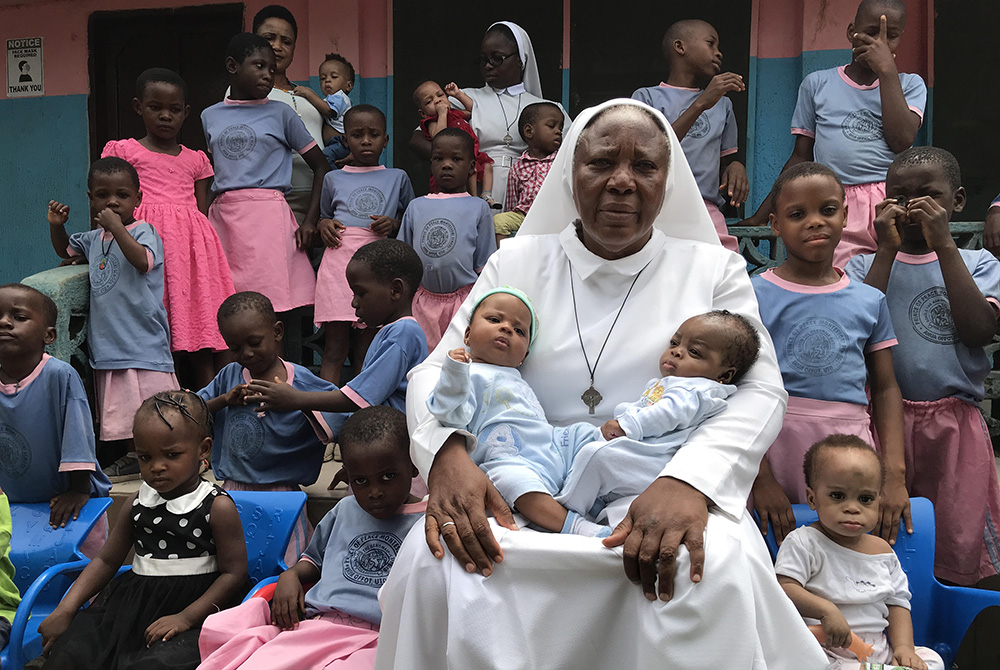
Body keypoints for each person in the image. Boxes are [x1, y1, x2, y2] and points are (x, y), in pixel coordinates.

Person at [374, 99, 828, 670]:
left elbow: (760, 390)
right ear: (571, 173)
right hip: (522, 482)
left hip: (656, 481)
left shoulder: (713, 269)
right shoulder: (516, 259)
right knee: (437, 560)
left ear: (668, 181)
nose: (621, 182)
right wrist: (446, 455)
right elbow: (441, 367)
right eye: (601, 164)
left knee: (710, 566)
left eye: (644, 167)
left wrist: (690, 482)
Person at [429, 292, 756, 539]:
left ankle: (582, 497)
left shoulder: (515, 375)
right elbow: (448, 412)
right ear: (467, 334)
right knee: (519, 485)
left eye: (519, 330)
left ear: (524, 355)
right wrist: (455, 371)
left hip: (551, 446)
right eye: (494, 320)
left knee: (587, 438)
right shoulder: (467, 372)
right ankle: (575, 524)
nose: (506, 329)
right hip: (508, 453)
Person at [845, 147, 1000, 586]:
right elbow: (856, 333)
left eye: (928, 195)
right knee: (881, 535)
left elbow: (978, 331)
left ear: (958, 201)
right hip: (881, 424)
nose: (912, 206)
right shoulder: (861, 266)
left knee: (959, 538)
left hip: (955, 427)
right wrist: (885, 252)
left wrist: (944, 244)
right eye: (899, 195)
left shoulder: (980, 264)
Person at [749, 162, 908, 548]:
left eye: (828, 210)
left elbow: (886, 389)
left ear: (846, 215)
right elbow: (738, 386)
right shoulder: (752, 294)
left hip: (848, 443)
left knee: (845, 550)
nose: (815, 222)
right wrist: (760, 476)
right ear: (774, 224)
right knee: (771, 549)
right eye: (797, 214)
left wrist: (894, 474)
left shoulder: (869, 300)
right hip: (772, 440)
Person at [197, 406, 426, 670]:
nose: (374, 492)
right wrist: (290, 575)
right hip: (319, 624)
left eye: (387, 477)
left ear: (412, 466)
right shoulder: (345, 510)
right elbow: (313, 559)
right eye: (360, 481)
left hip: (382, 636)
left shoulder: (427, 521)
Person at [38, 391, 249, 670]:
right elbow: (106, 560)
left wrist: (185, 617)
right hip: (131, 607)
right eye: (145, 457)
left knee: (155, 665)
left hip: (196, 611)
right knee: (72, 654)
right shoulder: (138, 502)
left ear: (204, 449)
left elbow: (234, 574)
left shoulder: (216, 506)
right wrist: (66, 609)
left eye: (172, 455)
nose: (157, 467)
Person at [743, 0, 926, 269]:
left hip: (891, 203)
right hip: (835, 204)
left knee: (895, 277)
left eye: (891, 35)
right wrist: (761, 215)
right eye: (872, 31)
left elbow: (901, 140)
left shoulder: (910, 84)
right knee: (841, 277)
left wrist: (887, 71)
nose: (880, 42)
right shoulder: (817, 84)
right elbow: (800, 158)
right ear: (851, 32)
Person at [102, 68, 236, 391]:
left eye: (174, 110)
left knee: (198, 331)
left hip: (191, 252)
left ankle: (212, 412)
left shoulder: (197, 160)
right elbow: (107, 203)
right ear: (138, 107)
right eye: (155, 108)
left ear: (186, 112)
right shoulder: (124, 152)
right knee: (160, 330)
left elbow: (201, 211)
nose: (165, 116)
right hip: (145, 249)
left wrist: (200, 251)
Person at [48, 157, 179, 478]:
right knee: (122, 408)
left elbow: (143, 262)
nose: (112, 202)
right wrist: (56, 225)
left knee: (153, 406)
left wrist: (118, 227)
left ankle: (160, 455)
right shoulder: (92, 239)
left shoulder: (145, 231)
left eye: (122, 195)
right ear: (91, 199)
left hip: (143, 338)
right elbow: (65, 250)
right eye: (103, 195)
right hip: (109, 343)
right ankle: (132, 457)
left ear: (138, 198)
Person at [775, 434, 944, 669]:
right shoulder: (805, 542)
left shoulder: (883, 551)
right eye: (837, 496)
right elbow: (783, 587)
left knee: (932, 660)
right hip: (828, 652)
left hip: (880, 651)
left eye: (865, 499)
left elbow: (898, 604)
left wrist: (904, 648)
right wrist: (826, 610)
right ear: (813, 499)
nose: (852, 508)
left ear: (878, 502)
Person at [201, 33, 329, 315]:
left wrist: (310, 220)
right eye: (259, 66)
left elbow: (321, 166)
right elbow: (208, 173)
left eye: (272, 69)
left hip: (269, 219)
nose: (268, 75)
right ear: (233, 66)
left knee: (271, 310)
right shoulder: (210, 116)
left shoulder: (281, 114)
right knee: (226, 308)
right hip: (224, 221)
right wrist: (201, 221)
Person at [247, 240, 427, 417]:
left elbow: (358, 399)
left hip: (392, 436)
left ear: (395, 290)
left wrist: (296, 398)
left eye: (361, 293)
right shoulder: (395, 331)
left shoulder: (403, 332)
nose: (354, 302)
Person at [408, 21, 568, 210]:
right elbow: (417, 140)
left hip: (528, 191)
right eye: (483, 59)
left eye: (496, 58)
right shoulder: (461, 98)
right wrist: (459, 164)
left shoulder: (546, 109)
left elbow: (572, 153)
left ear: (520, 59)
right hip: (477, 187)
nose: (488, 66)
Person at [313, 105, 415, 384]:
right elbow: (325, 216)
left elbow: (410, 216)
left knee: (367, 349)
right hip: (339, 264)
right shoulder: (333, 178)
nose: (366, 140)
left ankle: (360, 410)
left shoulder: (398, 177)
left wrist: (393, 224)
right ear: (346, 140)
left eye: (374, 134)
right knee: (334, 349)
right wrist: (324, 225)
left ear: (386, 139)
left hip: (377, 266)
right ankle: (325, 414)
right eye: (357, 135)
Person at [0, 284, 110, 530]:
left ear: (48, 335)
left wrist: (78, 490)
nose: (5, 323)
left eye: (19, 317)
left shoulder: (59, 375)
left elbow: (78, 435)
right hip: (14, 505)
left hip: (67, 502)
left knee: (74, 563)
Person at [632, 19, 747, 253]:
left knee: (723, 267)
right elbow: (649, 152)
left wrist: (736, 165)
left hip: (705, 208)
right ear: (680, 47)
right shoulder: (646, 98)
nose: (718, 53)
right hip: (656, 205)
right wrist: (700, 104)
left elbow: (726, 159)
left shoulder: (723, 104)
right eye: (710, 44)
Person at [400, 129, 496, 350]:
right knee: (423, 358)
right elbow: (404, 261)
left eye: (456, 159)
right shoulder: (416, 206)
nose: (446, 165)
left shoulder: (478, 208)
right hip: (422, 301)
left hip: (464, 301)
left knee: (460, 355)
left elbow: (485, 264)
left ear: (472, 166)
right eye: (438, 159)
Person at [252, 5, 327, 223]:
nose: (277, 46)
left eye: (286, 41)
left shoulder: (307, 96)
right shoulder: (244, 93)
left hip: (317, 203)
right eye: (269, 38)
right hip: (272, 201)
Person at [413, 80, 495, 202]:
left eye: (440, 95)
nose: (437, 100)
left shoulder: (455, 114)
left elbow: (473, 111)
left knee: (487, 166)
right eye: (429, 101)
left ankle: (486, 194)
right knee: (472, 171)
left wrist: (458, 94)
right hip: (455, 157)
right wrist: (442, 114)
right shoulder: (432, 121)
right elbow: (439, 135)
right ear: (423, 113)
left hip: (472, 153)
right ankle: (473, 198)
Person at [493, 101, 563, 245]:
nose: (558, 131)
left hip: (554, 216)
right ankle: (505, 260)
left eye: (560, 127)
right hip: (524, 217)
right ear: (529, 131)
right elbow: (512, 203)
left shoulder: (561, 162)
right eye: (551, 126)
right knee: (499, 220)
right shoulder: (517, 168)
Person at [290, 53, 355, 169]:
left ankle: (332, 181)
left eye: (334, 77)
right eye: (323, 78)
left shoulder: (340, 97)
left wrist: (308, 93)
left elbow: (328, 110)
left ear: (348, 85)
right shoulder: (329, 99)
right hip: (334, 144)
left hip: (340, 143)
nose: (327, 81)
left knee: (323, 161)